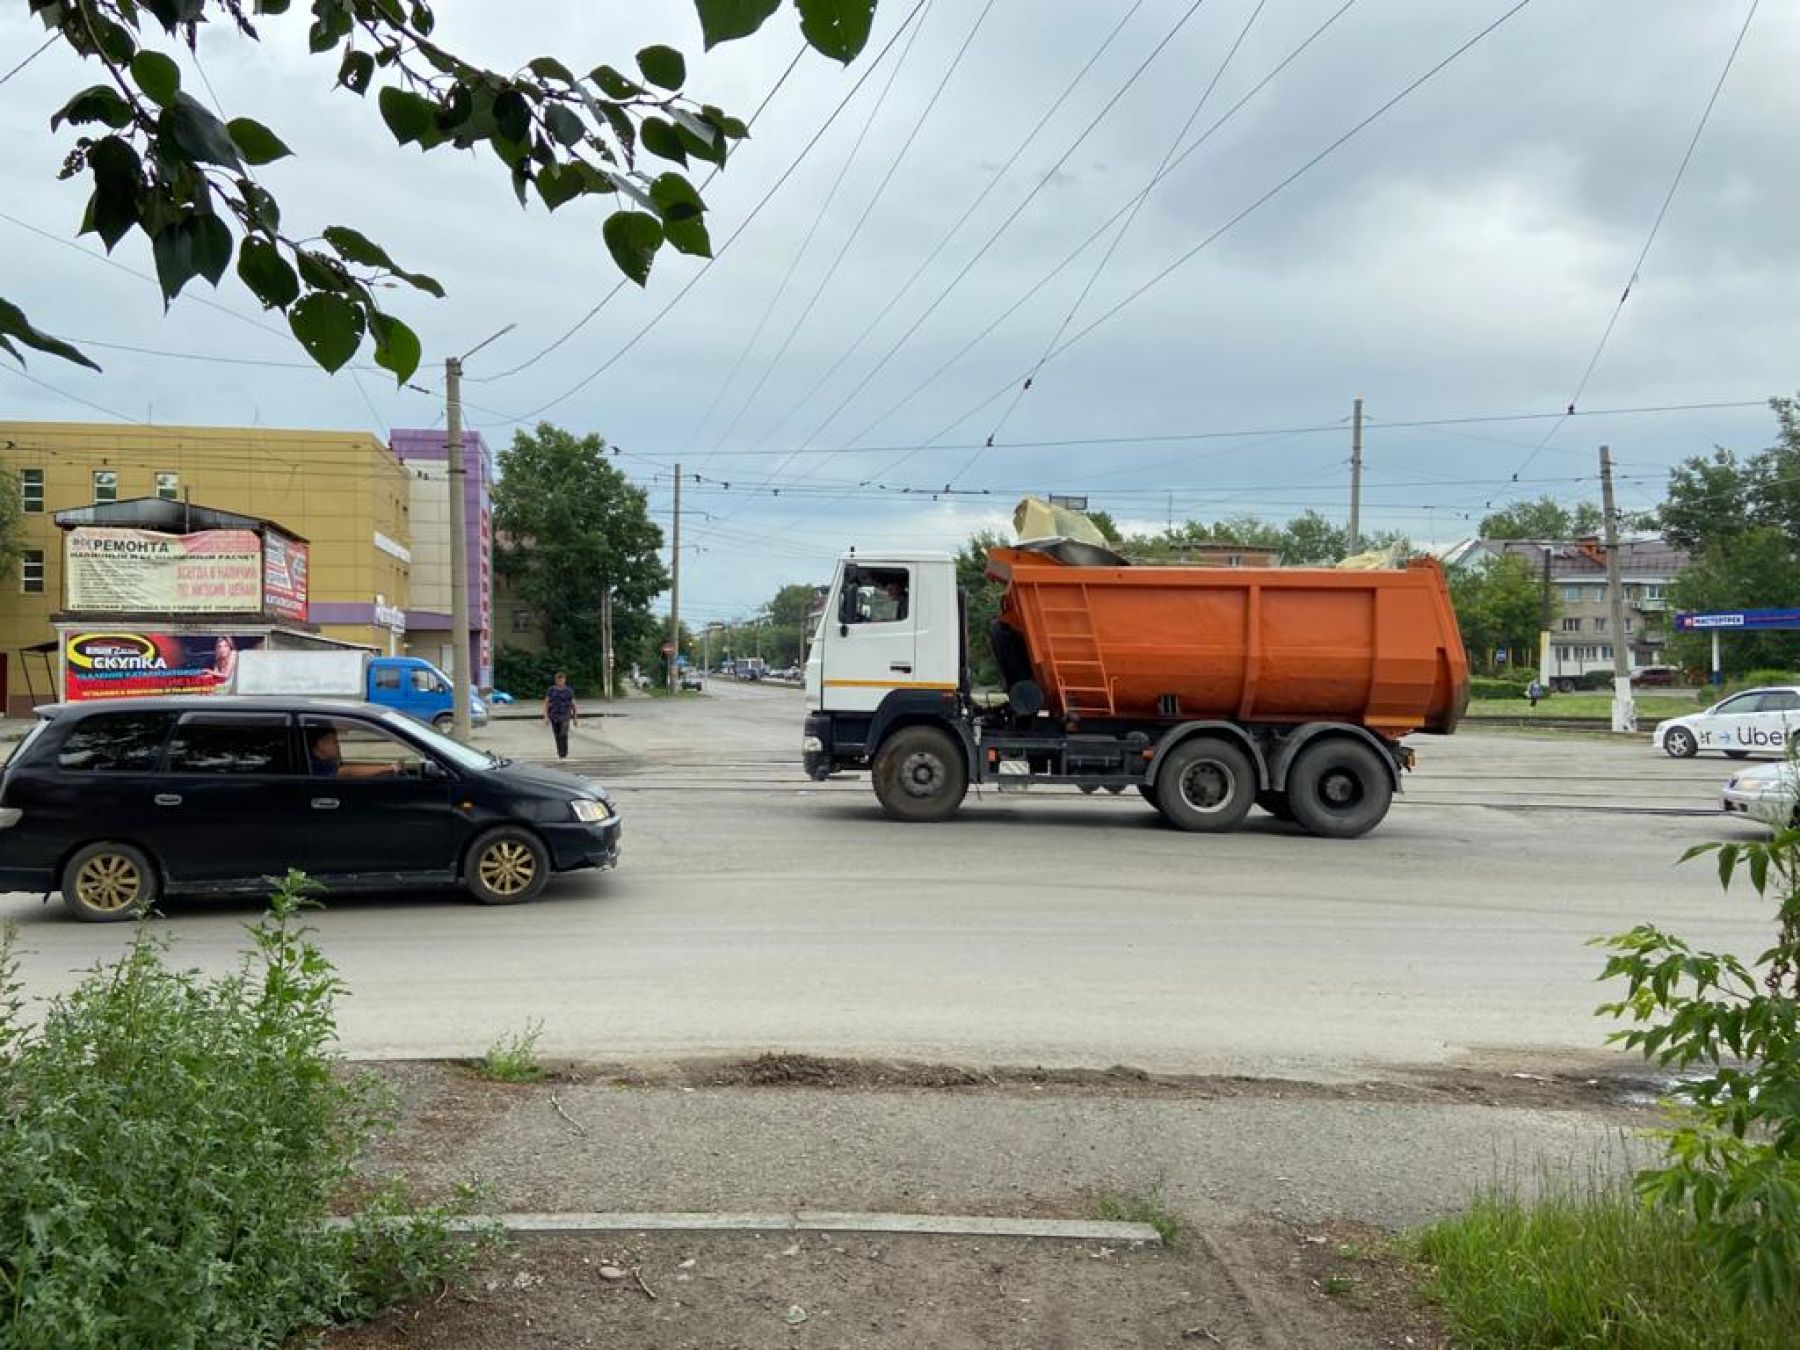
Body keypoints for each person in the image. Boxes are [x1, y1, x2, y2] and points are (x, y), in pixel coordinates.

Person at [306, 724, 397, 778]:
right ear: (321, 744)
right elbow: (347, 772)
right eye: (334, 742)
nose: (338, 745)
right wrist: (387, 768)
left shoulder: (322, 761)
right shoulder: (316, 765)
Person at [543, 671, 578, 761]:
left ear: (564, 680)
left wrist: (575, 718)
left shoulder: (569, 691)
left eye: (561, 681)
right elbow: (546, 703)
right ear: (556, 681)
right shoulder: (551, 690)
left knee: (563, 733)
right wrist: (546, 717)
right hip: (554, 716)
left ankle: (564, 753)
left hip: (565, 715)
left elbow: (574, 705)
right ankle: (560, 754)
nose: (560, 683)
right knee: (557, 735)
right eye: (558, 681)